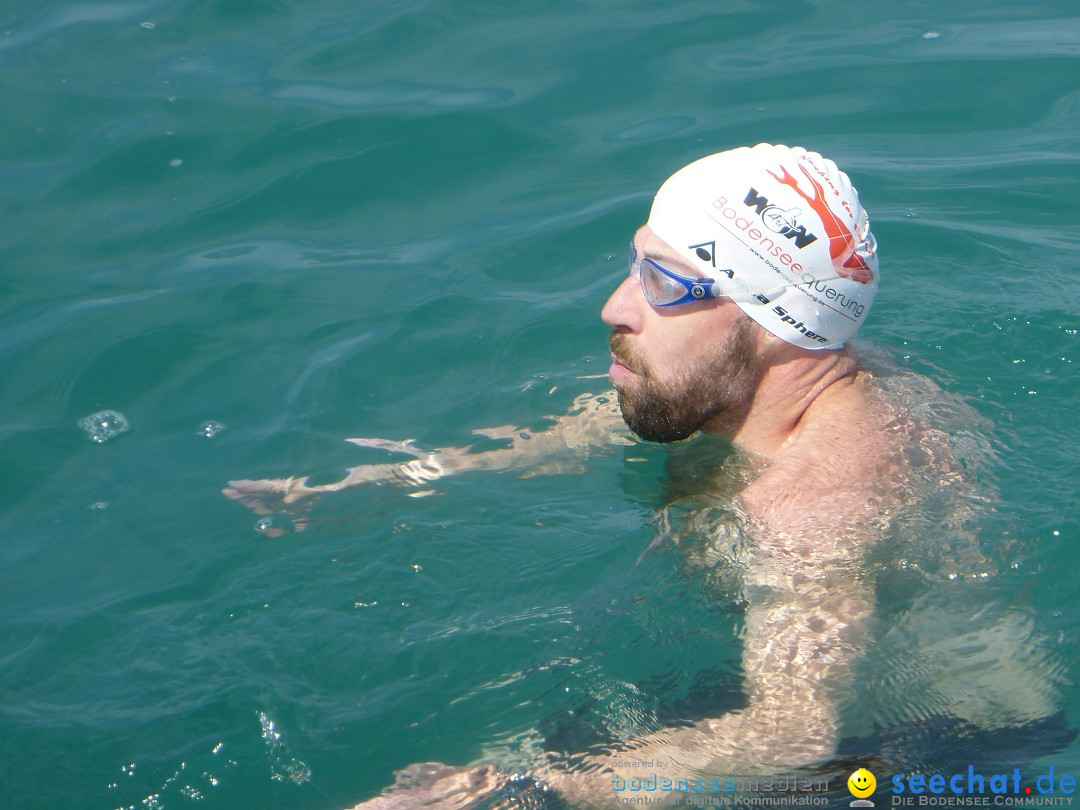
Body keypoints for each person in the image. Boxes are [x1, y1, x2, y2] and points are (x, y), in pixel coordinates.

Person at [224, 145, 940, 807]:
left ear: (773, 322)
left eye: (664, 284)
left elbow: (792, 737)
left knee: (562, 744)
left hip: (914, 756)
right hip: (813, 698)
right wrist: (406, 479)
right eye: (636, 263)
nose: (615, 306)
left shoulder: (812, 503)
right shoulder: (779, 382)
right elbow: (590, 425)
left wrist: (513, 789)